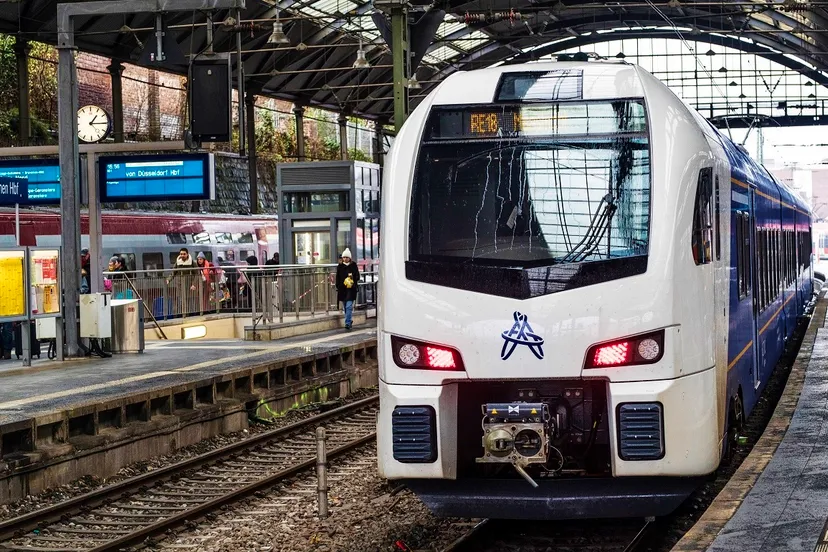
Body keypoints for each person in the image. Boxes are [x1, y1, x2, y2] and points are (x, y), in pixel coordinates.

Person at [335, 248, 360, 330]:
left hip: (351, 289)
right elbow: (337, 278)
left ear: (350, 258)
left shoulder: (353, 266)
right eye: (344, 257)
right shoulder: (340, 267)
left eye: (347, 257)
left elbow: (357, 276)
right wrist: (338, 286)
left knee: (349, 306)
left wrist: (352, 280)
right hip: (342, 289)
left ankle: (347, 323)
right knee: (345, 306)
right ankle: (349, 320)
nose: (345, 259)